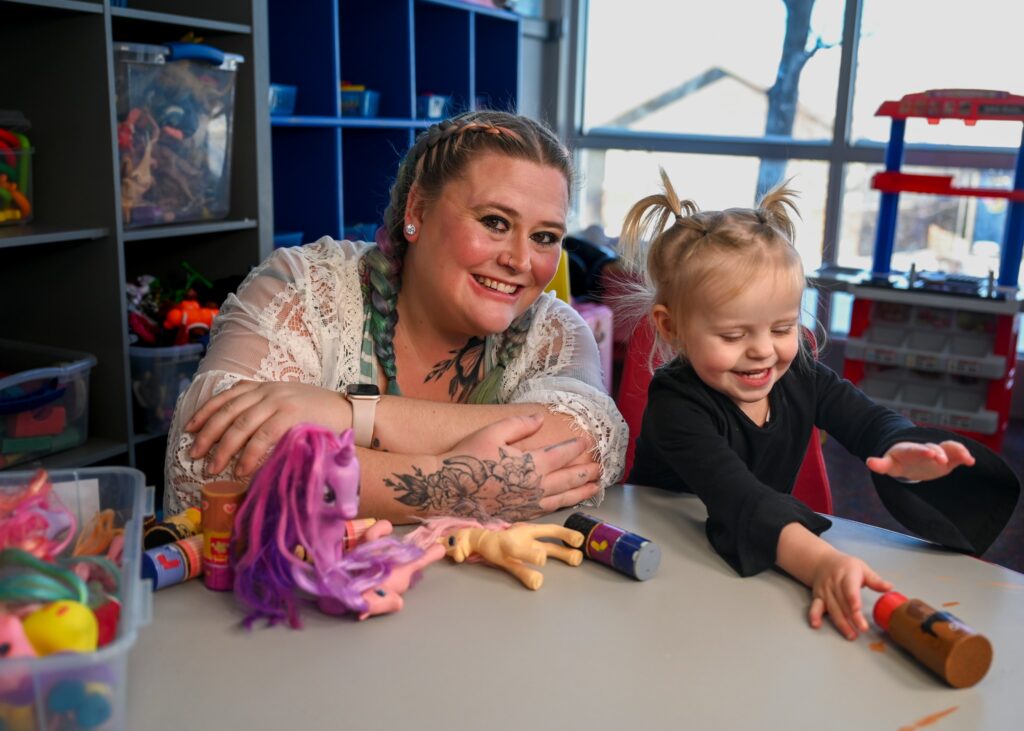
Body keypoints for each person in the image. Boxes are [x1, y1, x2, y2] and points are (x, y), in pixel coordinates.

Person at [164, 111, 628, 523]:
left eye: (545, 237)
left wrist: (348, 415)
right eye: (495, 222)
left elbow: (581, 446)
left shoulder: (552, 329)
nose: (521, 260)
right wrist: (452, 486)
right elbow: (212, 461)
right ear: (417, 211)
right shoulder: (304, 286)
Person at [618, 169, 1019, 641]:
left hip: (750, 557)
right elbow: (739, 497)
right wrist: (823, 563)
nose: (763, 351)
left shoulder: (800, 373)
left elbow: (867, 420)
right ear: (671, 327)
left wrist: (902, 450)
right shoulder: (676, 405)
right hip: (663, 565)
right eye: (733, 335)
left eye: (782, 328)